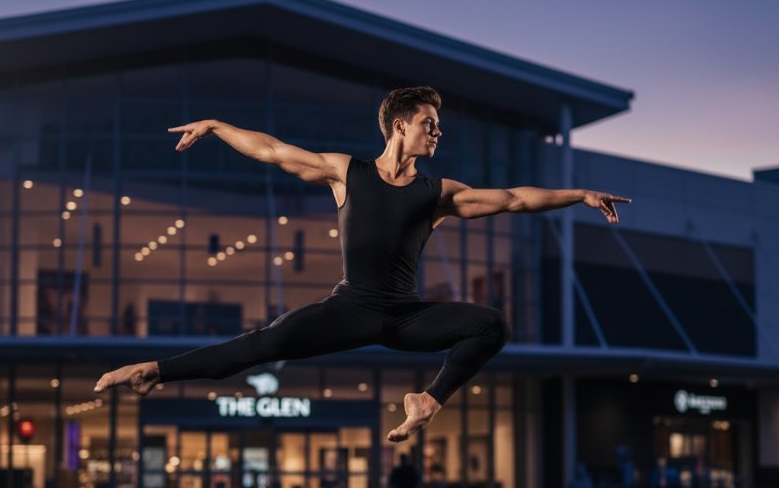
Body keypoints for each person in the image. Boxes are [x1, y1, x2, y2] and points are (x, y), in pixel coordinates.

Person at [94, 86, 630, 442]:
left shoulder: (437, 192)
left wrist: (577, 193)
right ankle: (152, 371)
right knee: (265, 343)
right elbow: (272, 151)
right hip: (351, 307)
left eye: (438, 125)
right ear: (399, 126)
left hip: (404, 316)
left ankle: (426, 402)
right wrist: (214, 125)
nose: (437, 131)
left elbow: (514, 198)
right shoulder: (345, 172)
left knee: (491, 324)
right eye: (429, 122)